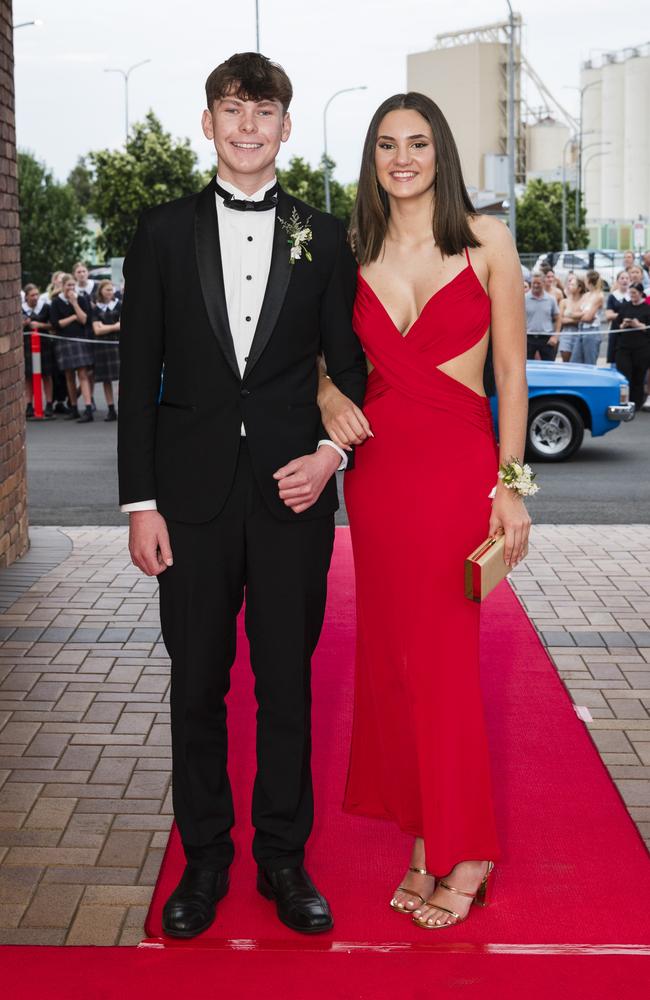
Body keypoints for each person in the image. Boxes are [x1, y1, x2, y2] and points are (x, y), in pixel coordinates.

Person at [118, 52, 367, 939]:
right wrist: (140, 503)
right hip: (186, 503)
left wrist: (329, 458)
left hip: (291, 500)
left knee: (287, 684)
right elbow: (137, 366)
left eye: (264, 111)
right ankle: (205, 862)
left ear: (286, 127)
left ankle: (283, 860)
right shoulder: (158, 231)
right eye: (233, 109)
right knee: (197, 686)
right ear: (209, 122)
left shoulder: (325, 236)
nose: (249, 125)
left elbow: (351, 367)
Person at [317, 91, 531, 930]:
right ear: (371, 161)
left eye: (416, 142)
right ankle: (423, 836)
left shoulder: (487, 240)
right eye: (384, 145)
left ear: (440, 151)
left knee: (442, 665)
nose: (401, 158)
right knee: (395, 664)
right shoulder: (350, 249)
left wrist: (512, 484)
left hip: (456, 476)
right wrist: (330, 392)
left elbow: (511, 374)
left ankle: (467, 849)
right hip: (376, 481)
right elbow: (319, 361)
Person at [48, 274, 95, 422]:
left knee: (83, 374)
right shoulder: (55, 303)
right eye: (68, 285)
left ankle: (88, 408)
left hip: (79, 340)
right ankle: (73, 407)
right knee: (69, 376)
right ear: (62, 286)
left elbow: (84, 320)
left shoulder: (80, 299)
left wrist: (74, 304)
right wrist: (73, 318)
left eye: (73, 286)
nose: (71, 288)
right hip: (64, 341)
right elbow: (57, 324)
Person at [613, 282, 650, 410]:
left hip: (641, 349)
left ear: (640, 294)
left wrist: (639, 326)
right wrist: (623, 325)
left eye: (634, 293)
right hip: (624, 348)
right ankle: (623, 401)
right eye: (631, 293)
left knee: (638, 377)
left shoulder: (647, 309)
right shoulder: (625, 307)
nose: (632, 295)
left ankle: (636, 403)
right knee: (624, 375)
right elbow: (617, 325)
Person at [22, 284, 55, 419]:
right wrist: (23, 324)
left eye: (37, 294)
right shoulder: (21, 309)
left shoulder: (45, 307)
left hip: (44, 345)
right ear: (26, 297)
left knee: (46, 375)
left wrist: (40, 325)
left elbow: (53, 325)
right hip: (27, 345)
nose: (35, 298)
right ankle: (29, 404)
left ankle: (48, 404)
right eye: (32, 295)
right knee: (28, 376)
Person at [91, 280, 121, 421]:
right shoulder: (96, 309)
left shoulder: (119, 305)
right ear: (101, 291)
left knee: (122, 377)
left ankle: (123, 405)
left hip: (117, 345)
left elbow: (124, 325)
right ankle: (111, 409)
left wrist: (106, 327)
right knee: (106, 379)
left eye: (112, 289)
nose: (110, 292)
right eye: (107, 290)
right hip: (102, 347)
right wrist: (114, 326)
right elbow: (97, 330)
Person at [525, 272, 559, 360]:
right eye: (533, 283)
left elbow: (557, 318)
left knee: (549, 366)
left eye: (538, 283)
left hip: (546, 338)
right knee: (526, 366)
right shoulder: (524, 299)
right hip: (528, 337)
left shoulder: (551, 299)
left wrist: (555, 336)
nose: (536, 285)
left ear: (543, 283)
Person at [572, 270, 604, 365]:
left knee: (589, 363)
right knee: (575, 362)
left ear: (589, 280)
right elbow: (572, 313)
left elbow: (588, 318)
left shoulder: (599, 296)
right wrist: (582, 314)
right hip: (581, 330)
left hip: (592, 332)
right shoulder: (585, 295)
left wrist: (579, 315)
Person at [558, 274, 586, 362]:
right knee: (566, 360)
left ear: (579, 288)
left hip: (580, 333)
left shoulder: (584, 300)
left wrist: (569, 316)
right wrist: (576, 319)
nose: (569, 286)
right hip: (566, 334)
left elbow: (585, 317)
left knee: (578, 362)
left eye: (572, 284)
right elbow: (561, 319)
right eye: (569, 284)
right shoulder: (564, 302)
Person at [605, 270, 631, 365]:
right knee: (614, 360)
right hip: (616, 332)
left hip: (630, 333)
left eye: (627, 278)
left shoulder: (633, 295)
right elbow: (608, 315)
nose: (625, 280)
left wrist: (617, 314)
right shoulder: (613, 296)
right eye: (622, 278)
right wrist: (624, 315)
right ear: (617, 281)